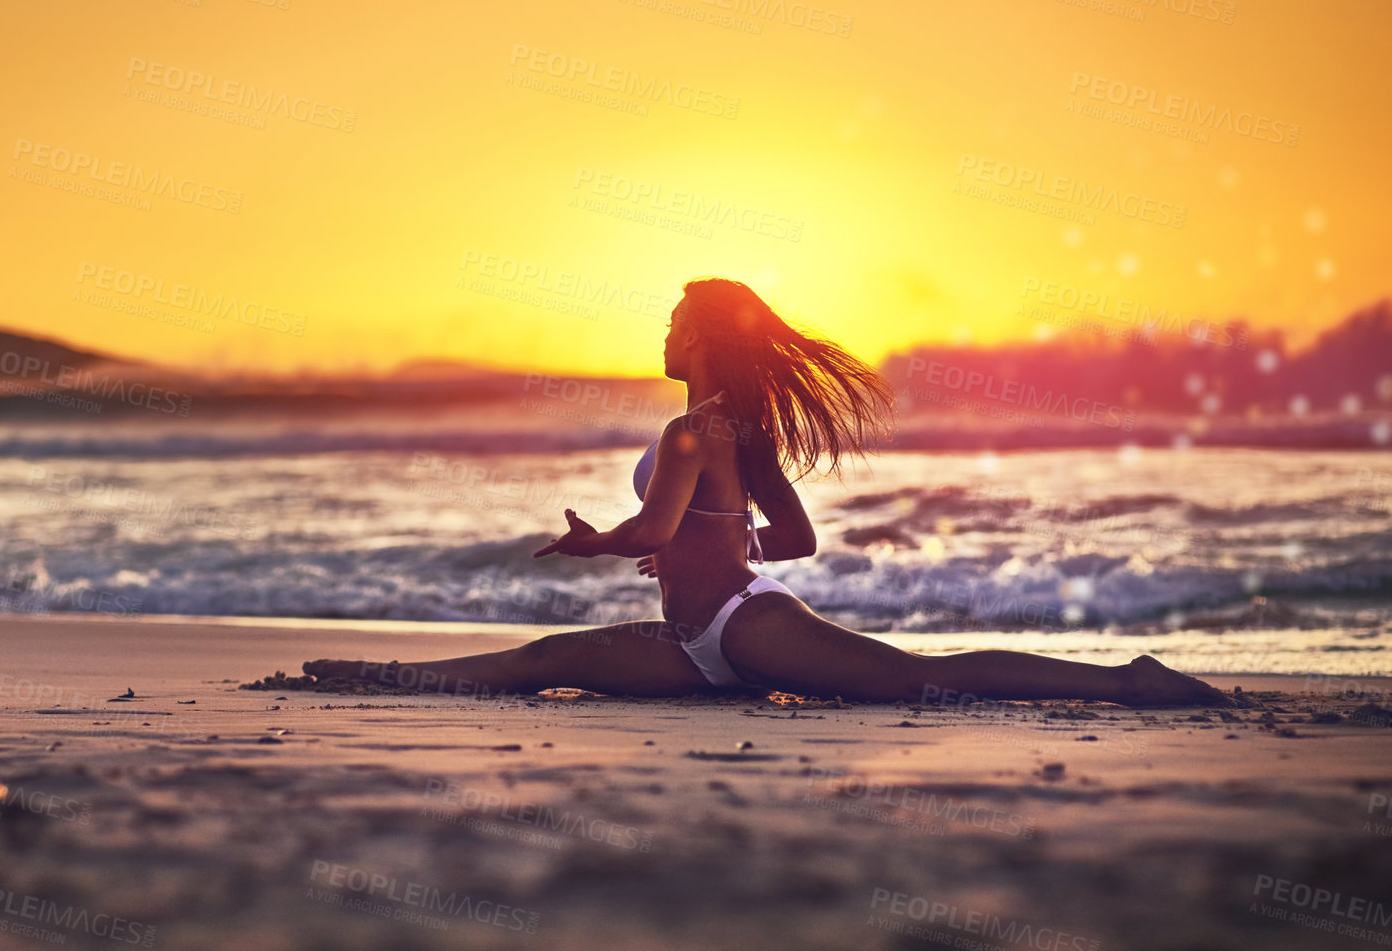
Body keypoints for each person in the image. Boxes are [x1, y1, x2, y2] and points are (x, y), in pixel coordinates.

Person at [305, 277, 1231, 708]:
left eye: (672, 321)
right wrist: (700, 548)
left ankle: (1126, 680)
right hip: (693, 642)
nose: (661, 333)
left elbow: (660, 523)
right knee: (548, 657)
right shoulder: (733, 429)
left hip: (749, 626)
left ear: (702, 333)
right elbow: (790, 538)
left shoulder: (692, 430)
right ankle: (384, 675)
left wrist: (602, 542)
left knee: (918, 679)